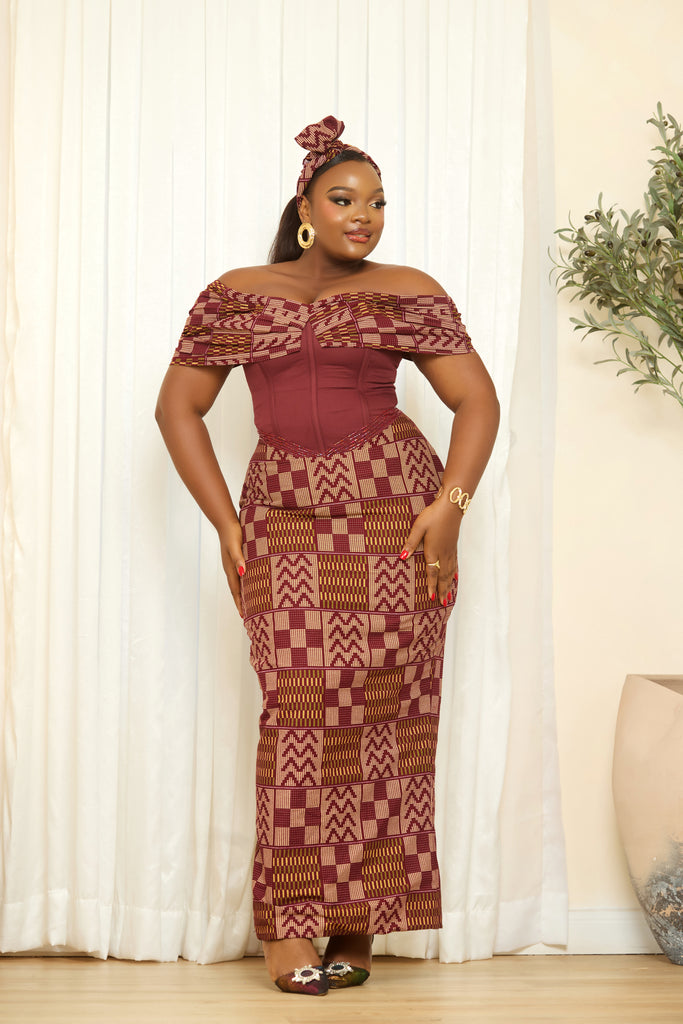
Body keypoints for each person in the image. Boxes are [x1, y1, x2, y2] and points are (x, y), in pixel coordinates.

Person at [156, 115, 500, 996]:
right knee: (299, 710)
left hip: (396, 515)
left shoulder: (407, 290)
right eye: (345, 199)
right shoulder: (238, 296)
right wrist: (226, 523)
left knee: (387, 713)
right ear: (304, 207)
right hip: (283, 516)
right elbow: (177, 409)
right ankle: (287, 928)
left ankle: (357, 924)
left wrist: (449, 509)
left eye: (378, 202)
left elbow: (477, 403)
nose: (365, 216)